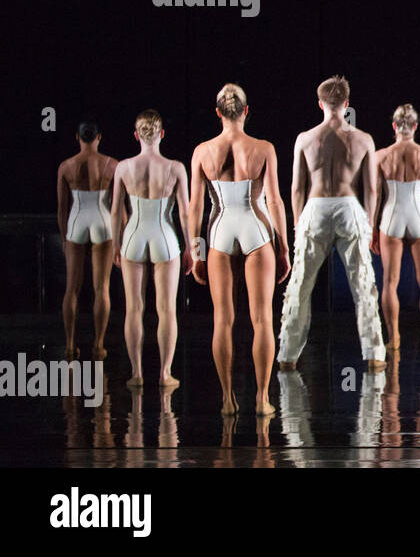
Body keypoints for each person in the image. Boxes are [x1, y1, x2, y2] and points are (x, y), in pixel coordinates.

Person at [189, 84, 291, 415]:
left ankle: (227, 399)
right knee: (262, 319)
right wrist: (284, 247)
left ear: (218, 112)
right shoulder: (263, 148)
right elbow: (275, 200)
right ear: (246, 111)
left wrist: (196, 251)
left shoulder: (202, 151)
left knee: (223, 319)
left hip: (219, 231)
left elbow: (195, 208)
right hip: (256, 229)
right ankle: (262, 399)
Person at [278, 75, 387, 372]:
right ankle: (375, 354)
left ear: (321, 104)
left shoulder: (305, 138)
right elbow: (372, 189)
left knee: (300, 285)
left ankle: (287, 356)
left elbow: (297, 188)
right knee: (363, 283)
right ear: (347, 103)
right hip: (349, 204)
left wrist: (299, 222)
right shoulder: (363, 139)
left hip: (315, 206)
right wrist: (370, 225)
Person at [110, 110, 192, 388]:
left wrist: (115, 246)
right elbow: (185, 213)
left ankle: (136, 373)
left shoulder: (123, 167)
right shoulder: (176, 168)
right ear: (162, 134)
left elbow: (114, 212)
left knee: (133, 309)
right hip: (165, 238)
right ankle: (165, 373)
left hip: (133, 236)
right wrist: (191, 248)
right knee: (167, 309)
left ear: (136, 135)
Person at [373, 103, 420, 353]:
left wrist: (373, 227)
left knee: (389, 281)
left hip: (391, 216)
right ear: (415, 126)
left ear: (394, 126)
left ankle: (393, 338)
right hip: (419, 215)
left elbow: (376, 196)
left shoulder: (381, 156)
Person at [56, 120, 118, 361]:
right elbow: (117, 206)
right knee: (101, 287)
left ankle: (70, 344)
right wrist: (120, 237)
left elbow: (62, 209)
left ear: (77, 137)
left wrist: (64, 237)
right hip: (102, 221)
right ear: (99, 137)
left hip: (77, 220)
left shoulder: (66, 166)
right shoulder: (112, 165)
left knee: (72, 287)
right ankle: (99, 344)